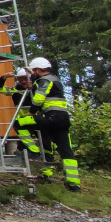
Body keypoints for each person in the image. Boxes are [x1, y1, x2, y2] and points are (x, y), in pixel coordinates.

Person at [28, 57, 81, 192]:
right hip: (63, 118)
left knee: (20, 123)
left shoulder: (44, 81)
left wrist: (31, 113)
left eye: (34, 71)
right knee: (66, 150)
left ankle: (32, 152)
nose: (33, 73)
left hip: (51, 117)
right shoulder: (55, 79)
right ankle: (74, 184)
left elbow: (39, 98)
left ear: (39, 70)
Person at [0, 68, 45, 160]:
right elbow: (0, 90)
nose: (23, 81)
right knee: (22, 147)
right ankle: (32, 159)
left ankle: (47, 173)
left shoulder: (38, 87)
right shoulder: (15, 89)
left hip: (39, 119)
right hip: (24, 121)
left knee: (46, 145)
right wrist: (3, 78)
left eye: (25, 78)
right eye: (20, 79)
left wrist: (33, 88)